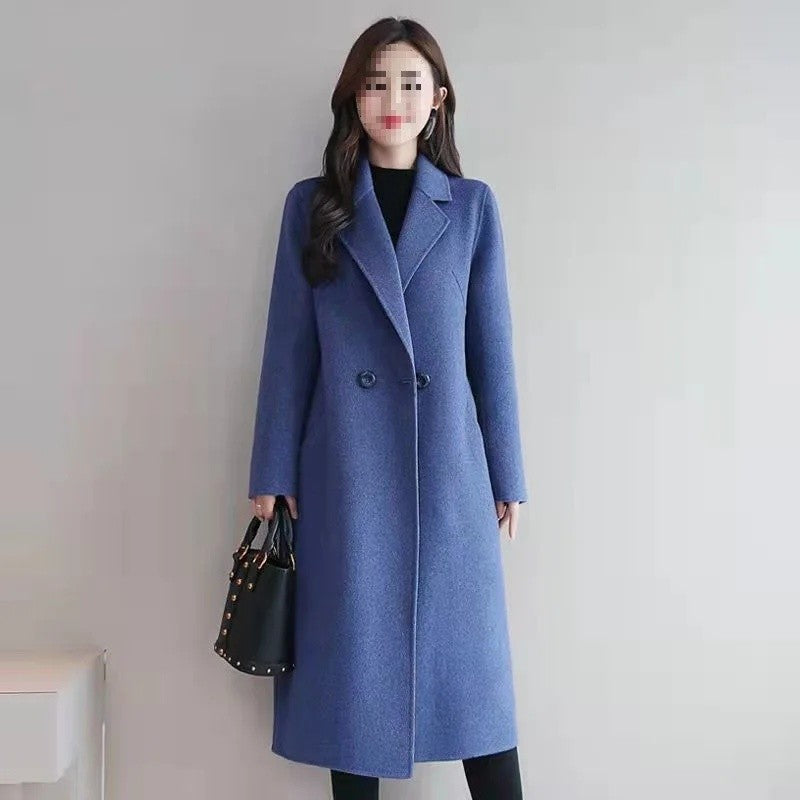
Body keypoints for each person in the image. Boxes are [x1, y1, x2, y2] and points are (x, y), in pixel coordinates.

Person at [248, 16, 528, 798]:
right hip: (346, 471)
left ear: (438, 99)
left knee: (476, 692)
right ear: (353, 98)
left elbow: (490, 351)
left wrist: (507, 474)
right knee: (355, 688)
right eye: (375, 82)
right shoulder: (314, 207)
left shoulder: (470, 208)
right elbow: (289, 348)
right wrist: (271, 470)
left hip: (449, 472)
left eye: (409, 81)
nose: (392, 98)